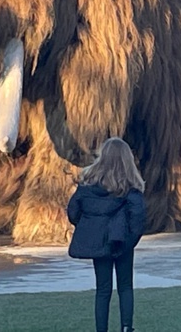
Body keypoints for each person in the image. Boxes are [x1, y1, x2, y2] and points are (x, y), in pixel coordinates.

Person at [67, 137, 147, 332]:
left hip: (99, 243)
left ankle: (101, 329)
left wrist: (92, 227)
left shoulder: (87, 187)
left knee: (102, 289)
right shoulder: (131, 189)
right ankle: (126, 327)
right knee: (125, 286)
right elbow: (138, 219)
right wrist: (129, 242)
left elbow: (73, 212)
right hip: (123, 242)